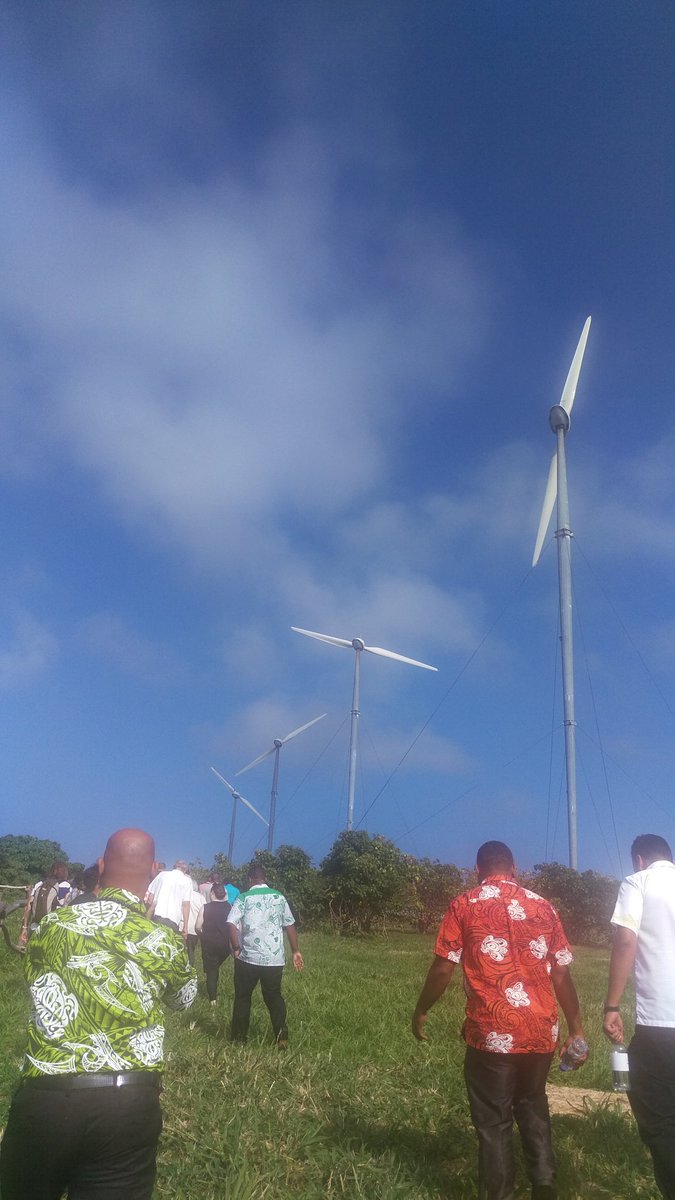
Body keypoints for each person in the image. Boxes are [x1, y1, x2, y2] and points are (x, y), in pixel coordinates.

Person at [0, 828, 197, 1200]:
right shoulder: (163, 940)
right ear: (153, 872)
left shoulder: (51, 927)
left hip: (46, 1099)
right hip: (128, 1105)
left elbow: (36, 980)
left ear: (102, 866)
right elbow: (184, 999)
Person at [412, 840, 586, 1200]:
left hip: (492, 1032)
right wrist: (576, 1029)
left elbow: (444, 967)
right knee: (532, 1101)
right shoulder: (543, 906)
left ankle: (499, 1193)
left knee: (494, 1120)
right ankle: (544, 1184)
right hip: (540, 1030)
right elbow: (561, 974)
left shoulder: (464, 904)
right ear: (514, 867)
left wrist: (421, 1009)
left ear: (478, 870)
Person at [603, 833, 675, 1200]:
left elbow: (626, 940)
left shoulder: (638, 882)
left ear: (639, 860)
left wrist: (612, 1006)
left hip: (661, 1022)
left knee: (658, 1115)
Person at [226, 865, 303, 1045]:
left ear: (249, 879)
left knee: (243, 997)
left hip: (248, 958)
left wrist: (236, 947)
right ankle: (281, 1036)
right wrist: (295, 951)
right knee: (274, 996)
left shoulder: (244, 897)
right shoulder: (279, 897)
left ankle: (239, 1039)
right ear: (265, 878)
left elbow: (230, 923)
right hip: (274, 960)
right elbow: (289, 924)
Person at [196, 881, 232, 1004]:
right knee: (214, 967)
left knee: (211, 971)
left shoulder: (205, 907)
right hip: (225, 945)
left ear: (212, 893)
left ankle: (213, 1001)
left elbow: (198, 926)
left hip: (209, 944)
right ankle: (213, 971)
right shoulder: (230, 907)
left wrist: (201, 935)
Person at [21, 861, 69, 941]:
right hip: (54, 930)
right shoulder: (66, 886)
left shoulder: (40, 884)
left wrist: (24, 927)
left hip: (35, 927)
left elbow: (28, 907)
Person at [145, 859, 193, 937]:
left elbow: (150, 897)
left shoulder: (162, 875)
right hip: (173, 920)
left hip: (156, 916)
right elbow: (185, 905)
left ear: (174, 867)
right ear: (185, 870)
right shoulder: (187, 881)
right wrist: (185, 927)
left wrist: (148, 913)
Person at [184, 880, 205, 967]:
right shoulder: (201, 897)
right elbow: (204, 912)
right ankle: (190, 967)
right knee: (191, 950)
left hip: (181, 927)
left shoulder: (183, 894)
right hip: (194, 929)